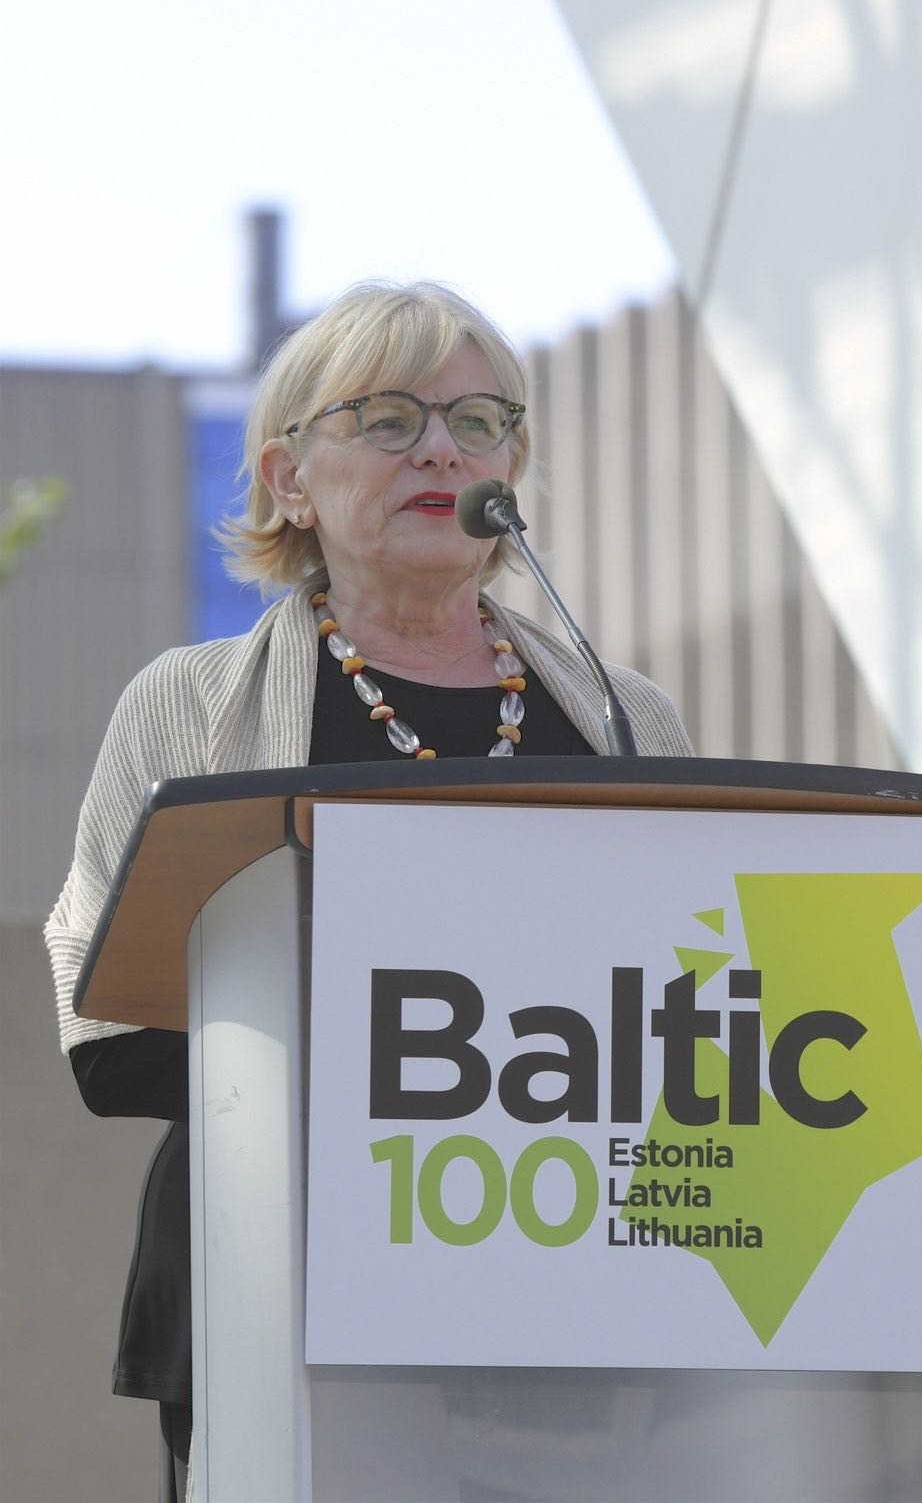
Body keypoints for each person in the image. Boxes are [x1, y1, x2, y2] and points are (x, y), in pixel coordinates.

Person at [45, 279, 693, 1501]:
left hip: (572, 1296)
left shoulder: (625, 717)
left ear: (509, 470)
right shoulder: (187, 708)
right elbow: (108, 1027)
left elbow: (686, 1014)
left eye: (478, 421)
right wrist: (415, 1075)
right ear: (288, 477)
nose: (442, 449)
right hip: (276, 1285)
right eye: (390, 419)